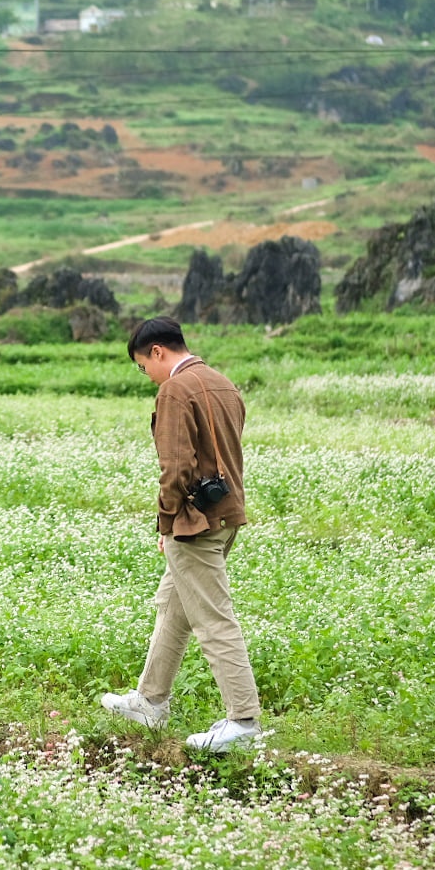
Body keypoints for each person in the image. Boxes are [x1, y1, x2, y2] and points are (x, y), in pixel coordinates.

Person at [100, 316, 263, 752]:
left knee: (213, 619)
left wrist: (169, 520)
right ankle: (150, 700)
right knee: (173, 608)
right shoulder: (222, 383)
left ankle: (243, 723)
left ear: (157, 351)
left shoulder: (174, 389)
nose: (146, 376)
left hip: (195, 523)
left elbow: (175, 467)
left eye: (142, 366)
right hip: (224, 516)